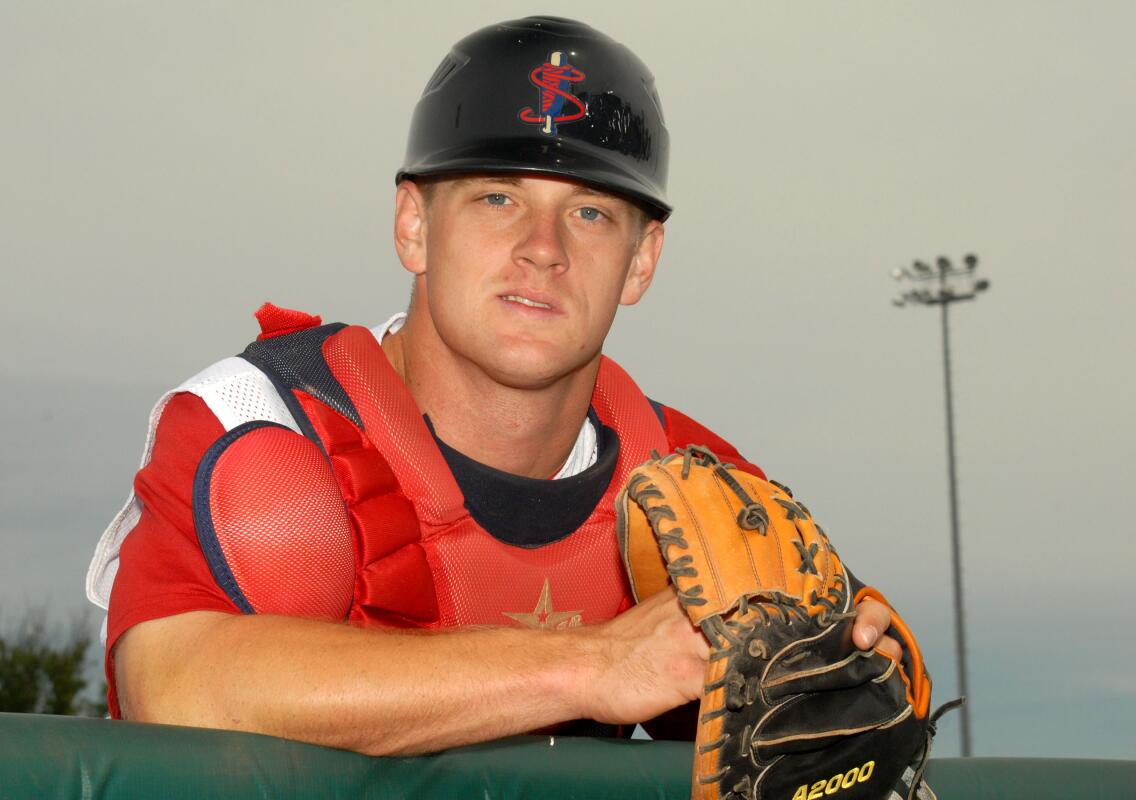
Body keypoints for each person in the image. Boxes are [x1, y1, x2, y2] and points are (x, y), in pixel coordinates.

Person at [85, 15, 902, 756]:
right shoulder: (264, 422)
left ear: (642, 260)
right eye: (497, 197)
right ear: (414, 226)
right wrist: (592, 665)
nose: (542, 247)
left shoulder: (688, 477)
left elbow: (852, 686)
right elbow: (176, 686)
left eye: (590, 213)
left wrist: (864, 664)